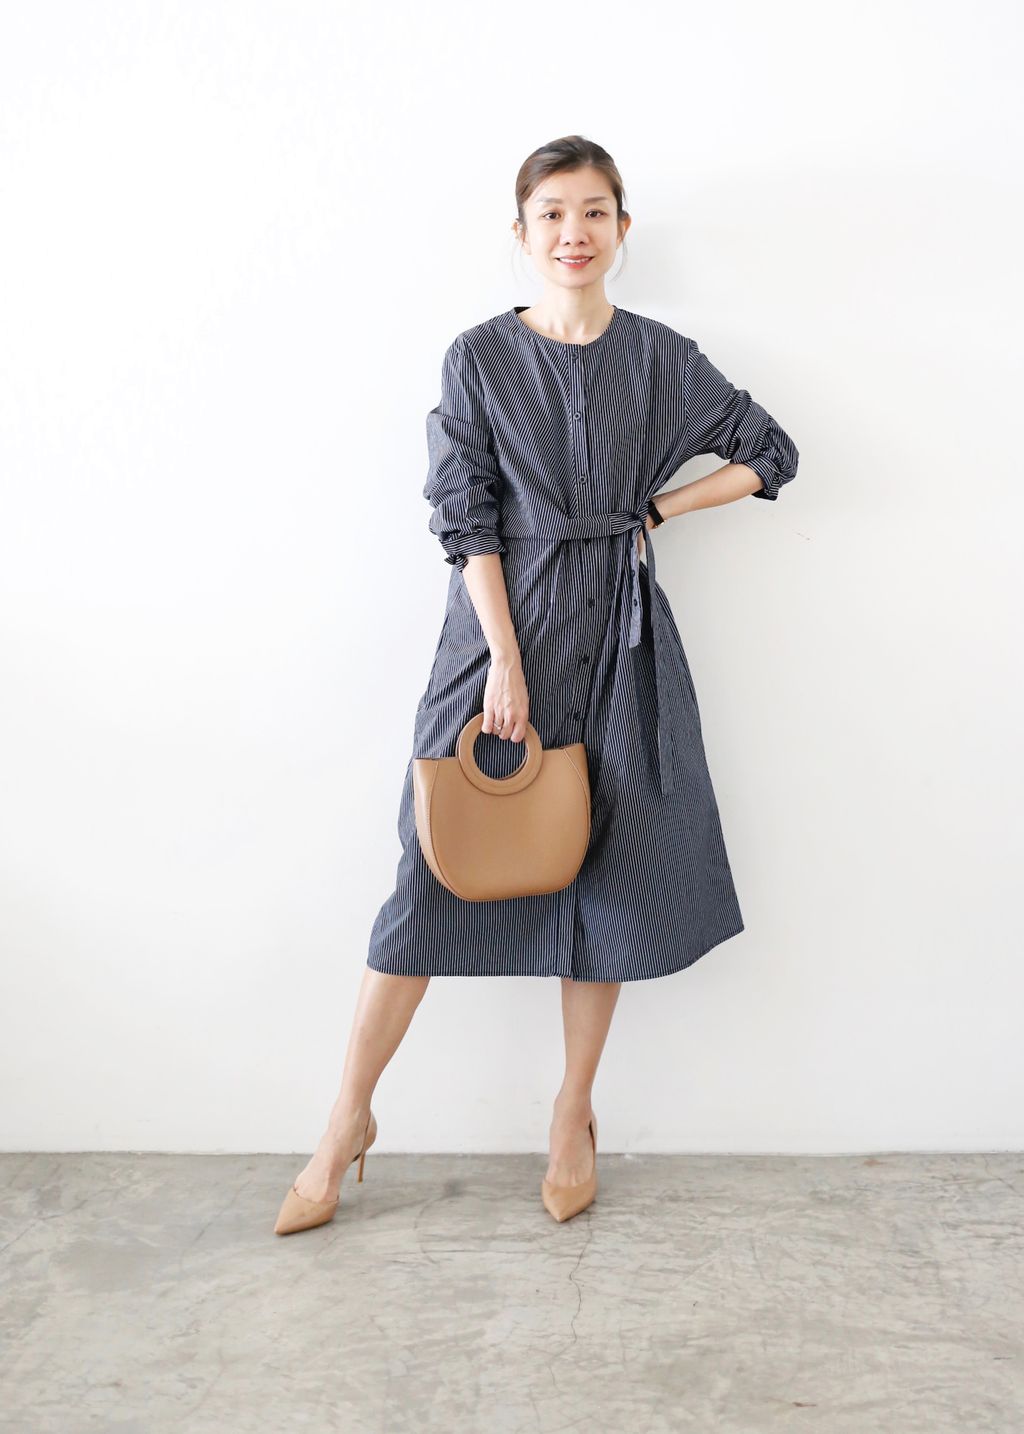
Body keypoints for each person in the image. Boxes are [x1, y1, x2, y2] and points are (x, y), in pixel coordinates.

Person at [274, 134, 799, 1236]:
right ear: (520, 233)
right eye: (553, 213)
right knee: (426, 879)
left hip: (617, 643)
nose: (574, 232)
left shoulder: (661, 360)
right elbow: (464, 517)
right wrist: (505, 662)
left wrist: (659, 510)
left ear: (622, 228)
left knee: (602, 877)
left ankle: (571, 1115)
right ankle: (346, 1118)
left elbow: (770, 452)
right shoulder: (477, 358)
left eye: (595, 211)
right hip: (490, 647)